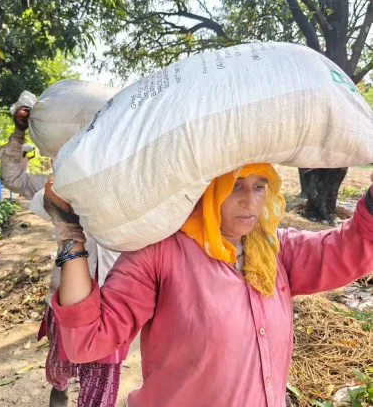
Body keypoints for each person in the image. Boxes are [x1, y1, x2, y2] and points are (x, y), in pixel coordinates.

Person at [45, 163, 373, 407]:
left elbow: (349, 250)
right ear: (207, 188)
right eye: (235, 186)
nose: (250, 202)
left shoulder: (274, 250)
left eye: (260, 186)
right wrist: (70, 232)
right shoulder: (161, 254)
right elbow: (88, 340)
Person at [0, 106, 126, 407]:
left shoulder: (123, 185)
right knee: (60, 379)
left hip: (110, 305)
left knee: (99, 390)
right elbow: (13, 178)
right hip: (65, 299)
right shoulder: (55, 189)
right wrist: (19, 132)